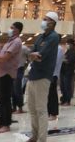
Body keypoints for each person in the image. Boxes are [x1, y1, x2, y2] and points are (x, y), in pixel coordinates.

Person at [27, 12, 61, 142]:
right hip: (33, 75)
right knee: (31, 108)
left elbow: (40, 56)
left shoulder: (53, 37)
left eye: (45, 19)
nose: (43, 21)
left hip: (43, 77)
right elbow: (32, 53)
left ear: (52, 22)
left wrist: (35, 55)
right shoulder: (41, 37)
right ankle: (34, 136)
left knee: (41, 109)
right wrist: (33, 55)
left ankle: (42, 138)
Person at [0, 22, 23, 134]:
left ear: (17, 30)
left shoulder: (17, 42)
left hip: (7, 74)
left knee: (5, 99)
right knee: (1, 99)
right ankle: (1, 122)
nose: (10, 29)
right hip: (0, 73)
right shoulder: (9, 41)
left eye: (12, 28)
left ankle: (6, 124)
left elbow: (4, 58)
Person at [48, 37, 64, 120]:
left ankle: (53, 114)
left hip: (53, 74)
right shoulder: (51, 47)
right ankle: (48, 112)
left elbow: (55, 62)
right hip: (47, 73)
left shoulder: (59, 49)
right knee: (48, 94)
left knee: (52, 94)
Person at [60, 38, 75, 105]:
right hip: (63, 71)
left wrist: (63, 60)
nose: (67, 45)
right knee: (62, 86)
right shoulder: (68, 51)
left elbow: (69, 61)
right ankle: (63, 99)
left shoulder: (73, 52)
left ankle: (68, 100)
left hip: (68, 72)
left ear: (72, 44)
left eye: (68, 44)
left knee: (67, 86)